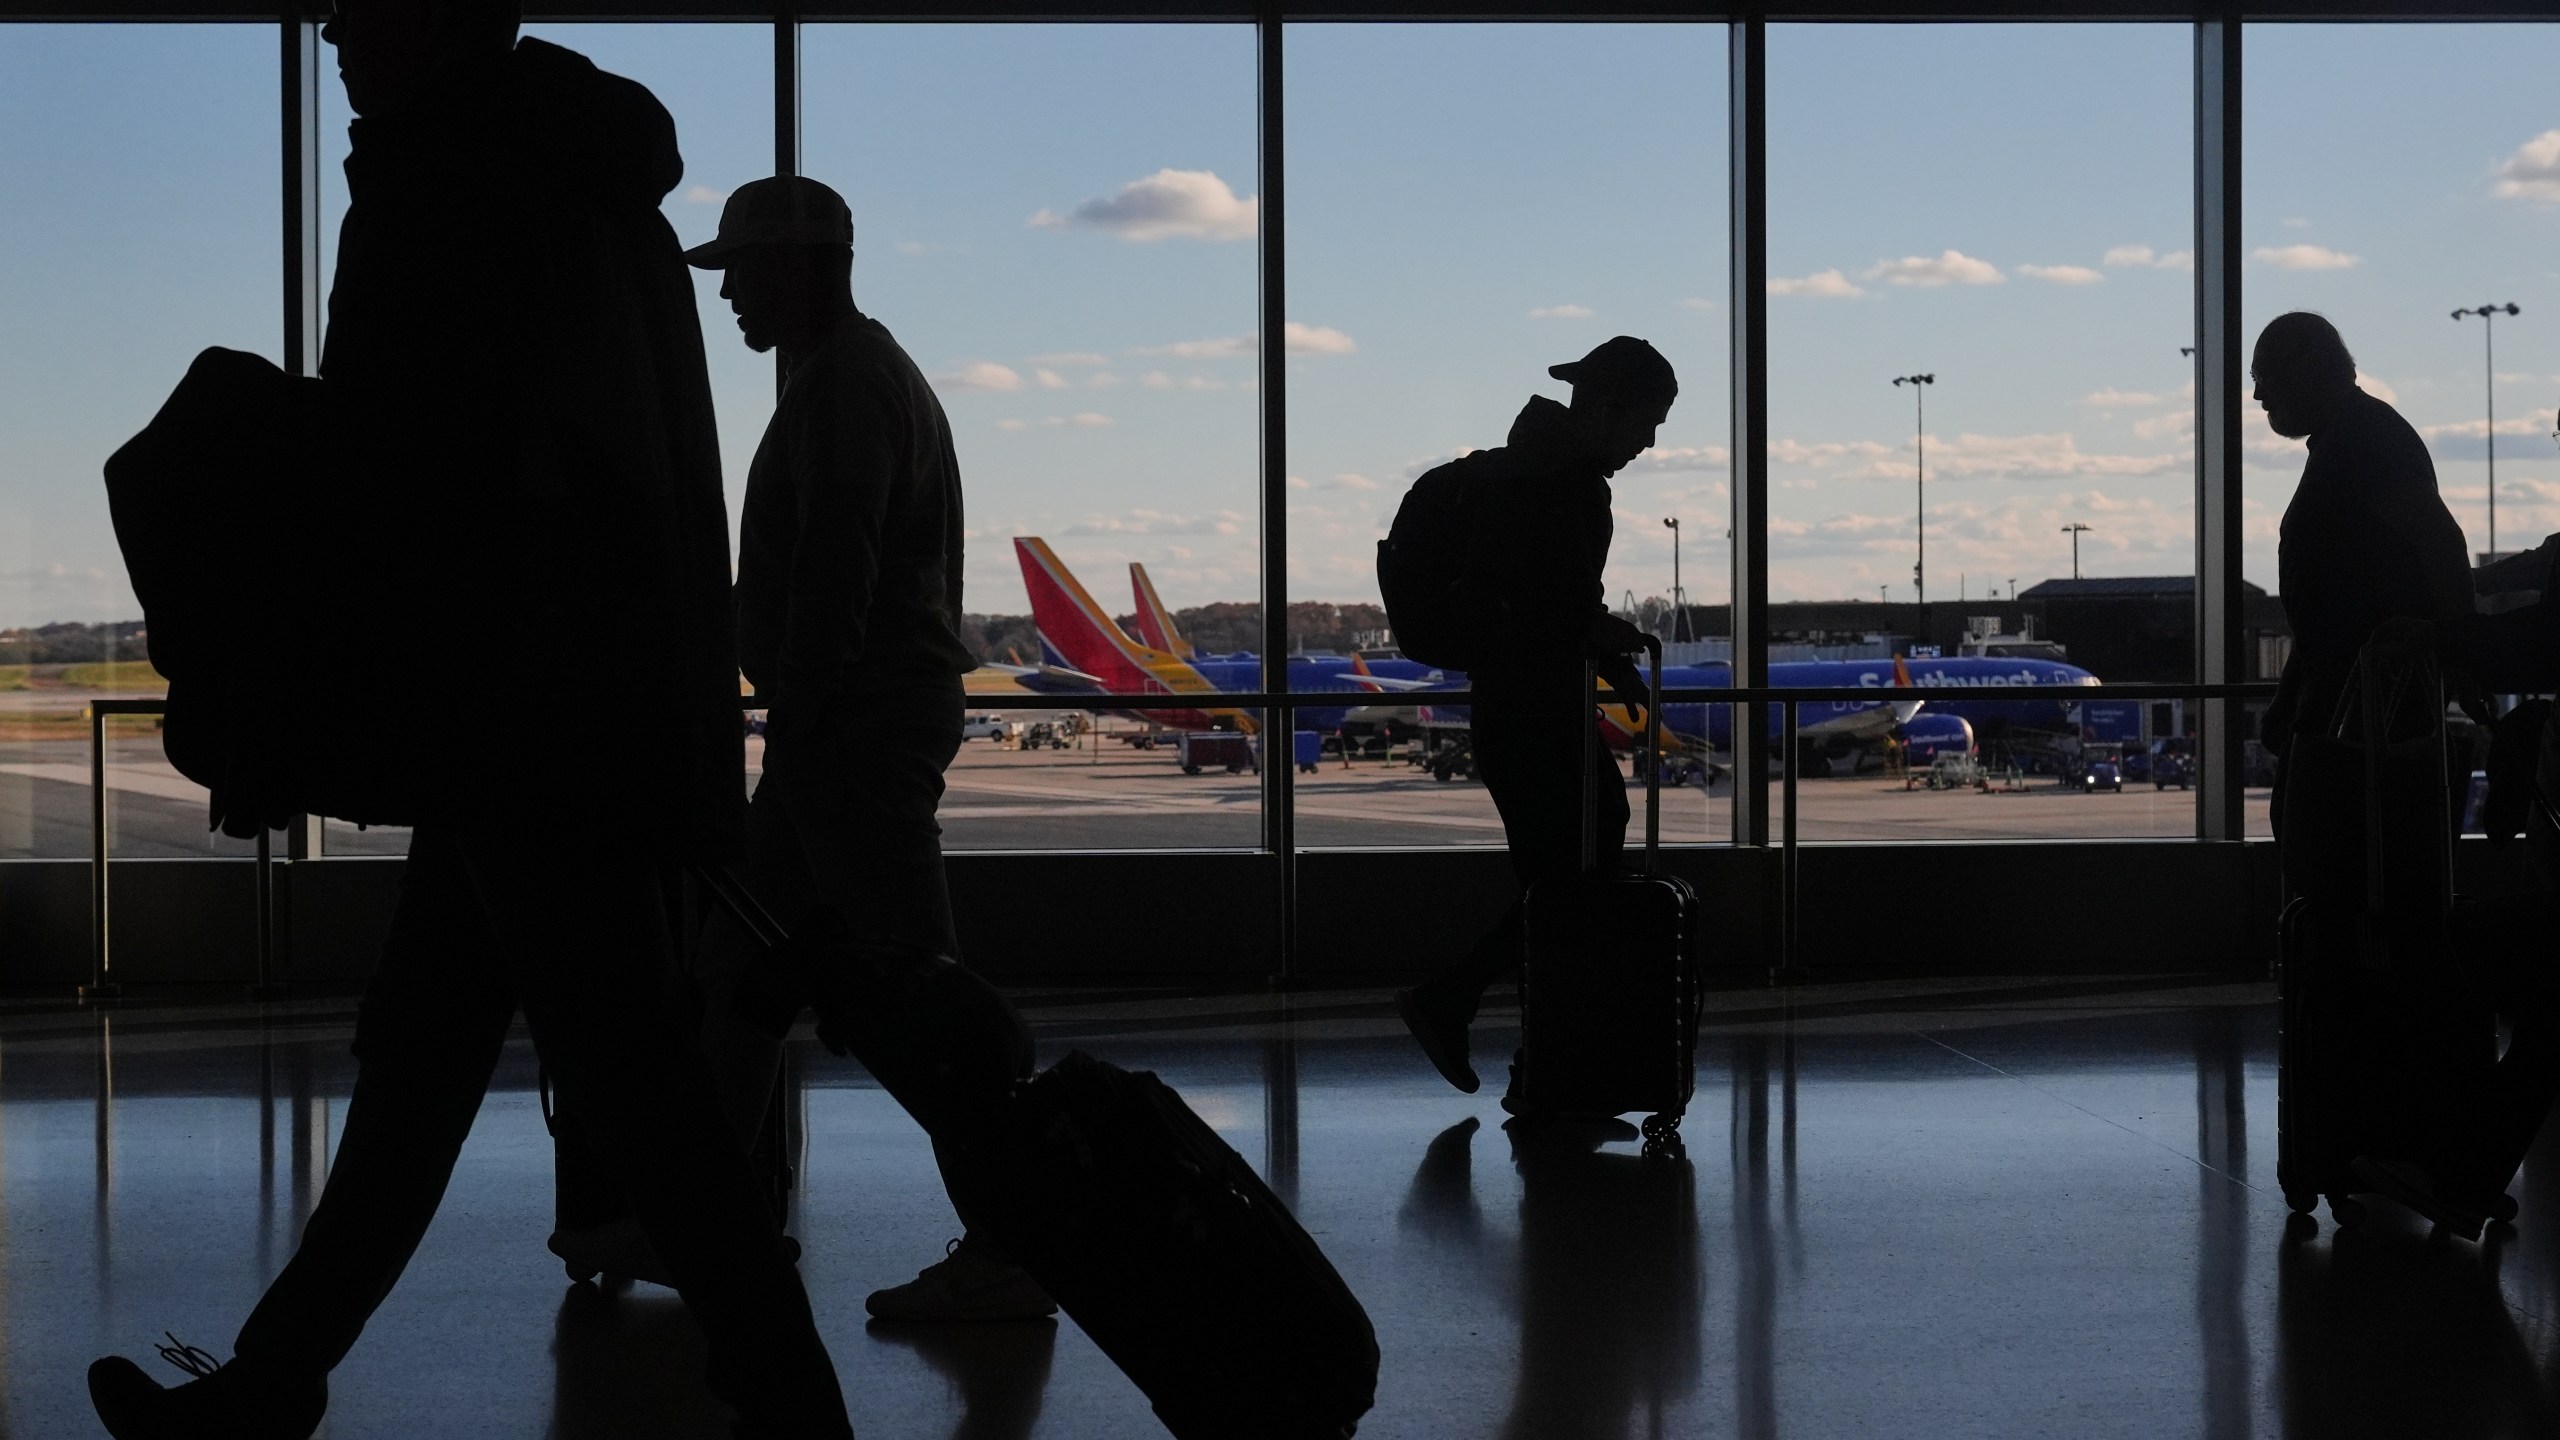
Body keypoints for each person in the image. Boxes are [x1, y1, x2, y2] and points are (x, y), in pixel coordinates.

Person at [85, 4, 854, 1437]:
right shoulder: (577, 178)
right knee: (447, 1064)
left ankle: (796, 1405)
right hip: (561, 709)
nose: (327, 21)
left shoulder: (456, 184)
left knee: (624, 1093)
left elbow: (414, 480)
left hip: (515, 717)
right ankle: (273, 1380)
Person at [682, 176, 1054, 1323]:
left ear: (797, 265)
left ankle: (1015, 1245)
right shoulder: (858, 376)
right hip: (842, 724)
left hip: (848, 725)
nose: (730, 294)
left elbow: (837, 563)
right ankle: (697, 1214)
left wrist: (802, 695)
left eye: (740, 270)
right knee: (740, 975)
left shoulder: (844, 388)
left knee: (914, 1003)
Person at [1393, 336, 1672, 1113]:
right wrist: (1599, 633)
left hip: (1517, 704)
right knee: (1573, 884)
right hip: (1535, 711)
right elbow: (1544, 606)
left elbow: (1540, 606)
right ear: (1609, 408)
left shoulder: (1523, 473)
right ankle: (1474, 1015)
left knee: (1562, 885)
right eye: (1648, 422)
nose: (1649, 443)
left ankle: (1536, 1065)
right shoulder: (1562, 484)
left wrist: (1596, 643)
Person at [2256, 311, 2474, 855]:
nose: (2258, 395)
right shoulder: (2355, 436)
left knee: (2333, 853)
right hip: (2355, 694)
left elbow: (2440, 546)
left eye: (2265, 376)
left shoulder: (2365, 439)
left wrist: (2459, 648)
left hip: (2369, 703)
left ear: (2308, 371)